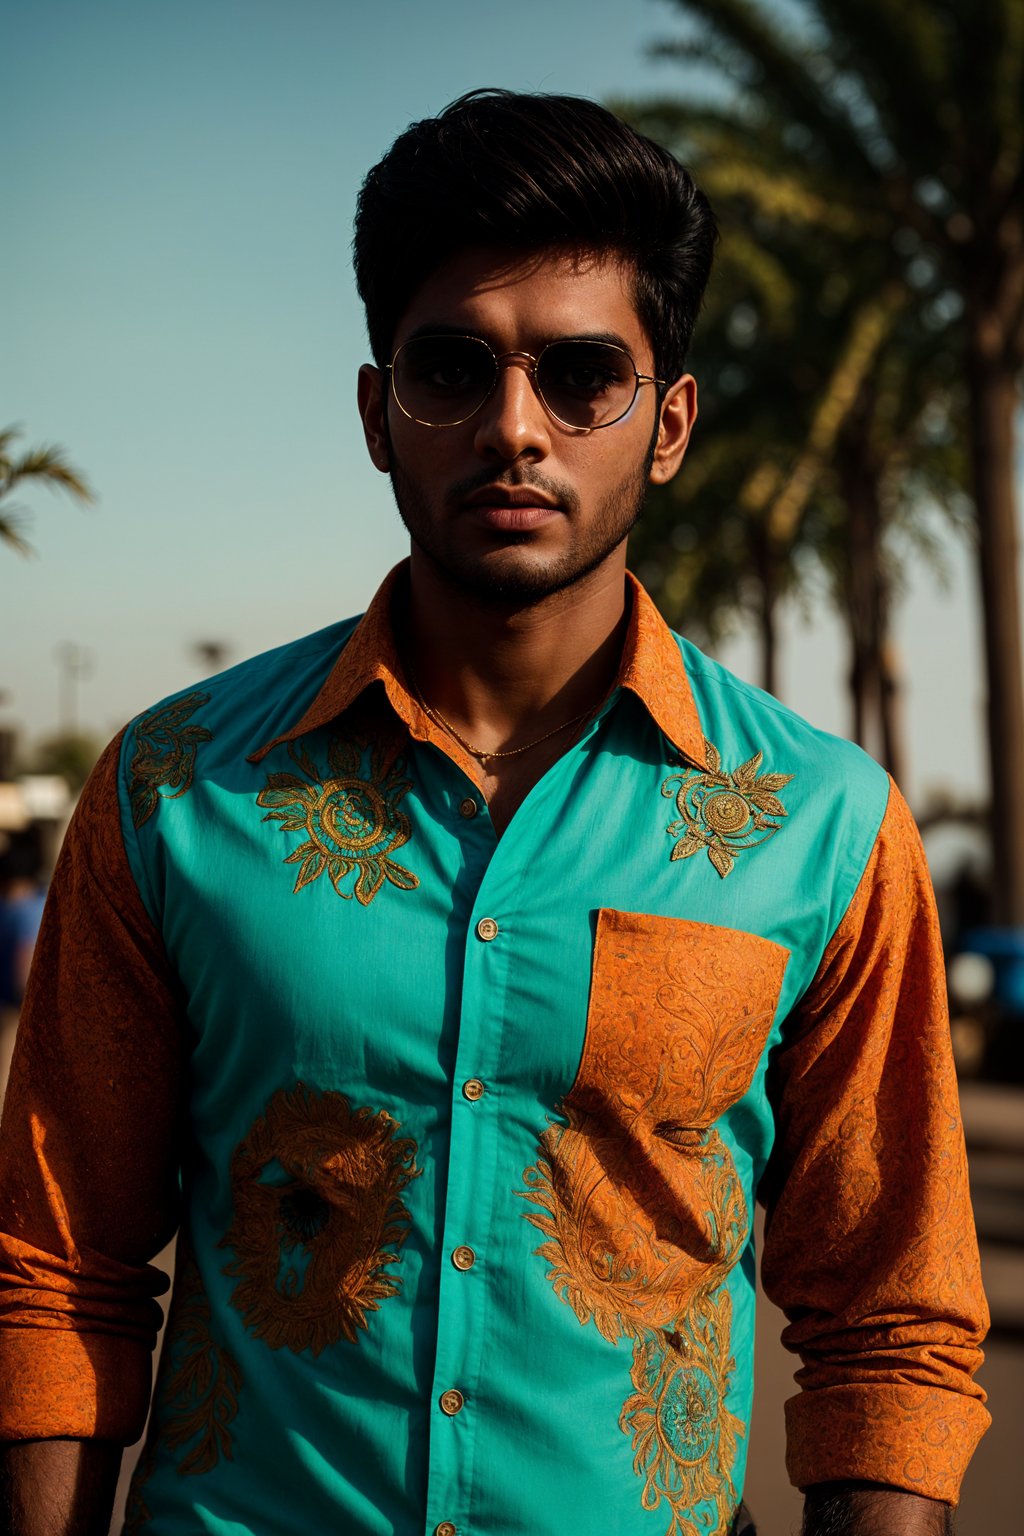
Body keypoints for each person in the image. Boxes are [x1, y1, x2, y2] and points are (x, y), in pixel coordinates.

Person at [0, 90, 988, 1536]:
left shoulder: (818, 828)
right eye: (452, 368)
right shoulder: (176, 790)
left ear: (668, 423)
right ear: (376, 414)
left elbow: (893, 1327)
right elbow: (57, 1272)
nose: (514, 428)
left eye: (584, 374)